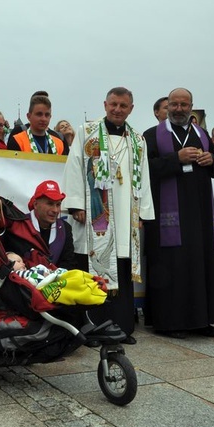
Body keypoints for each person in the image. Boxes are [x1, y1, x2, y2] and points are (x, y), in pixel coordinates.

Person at [63, 87, 154, 342]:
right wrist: (76, 203)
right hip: (95, 214)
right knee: (93, 269)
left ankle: (122, 327)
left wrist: (143, 213)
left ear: (131, 109)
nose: (117, 109)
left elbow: (144, 176)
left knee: (122, 270)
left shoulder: (137, 140)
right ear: (105, 105)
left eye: (123, 106)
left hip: (126, 216)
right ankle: (92, 327)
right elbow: (74, 167)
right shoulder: (87, 132)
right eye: (113, 104)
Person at [142, 87, 214, 338]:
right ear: (166, 107)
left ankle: (202, 320)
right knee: (172, 267)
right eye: (174, 105)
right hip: (168, 217)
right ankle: (171, 323)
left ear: (191, 107)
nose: (179, 109)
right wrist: (176, 158)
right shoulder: (152, 135)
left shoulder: (201, 133)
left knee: (201, 263)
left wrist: (212, 159)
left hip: (199, 213)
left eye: (184, 104)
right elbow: (145, 170)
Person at [3, 180, 77, 270]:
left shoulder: (65, 228)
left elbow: (68, 263)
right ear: (35, 204)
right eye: (50, 203)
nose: (55, 210)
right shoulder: (19, 226)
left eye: (58, 204)